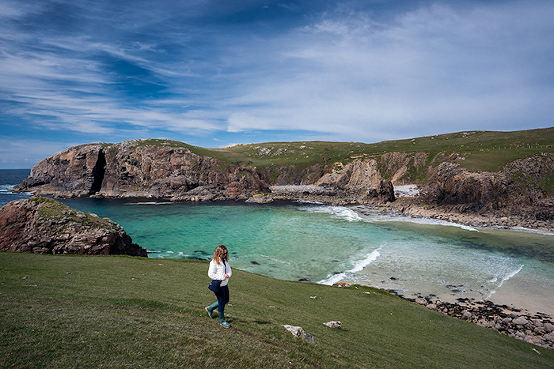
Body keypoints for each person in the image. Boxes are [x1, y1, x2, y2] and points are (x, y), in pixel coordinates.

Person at [205, 244, 232, 328]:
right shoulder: (214, 262)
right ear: (219, 253)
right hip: (218, 286)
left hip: (224, 285)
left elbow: (229, 271)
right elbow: (210, 274)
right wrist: (221, 277)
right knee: (221, 302)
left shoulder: (224, 261)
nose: (225, 255)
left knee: (226, 300)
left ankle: (210, 308)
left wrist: (228, 275)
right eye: (224, 254)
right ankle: (222, 320)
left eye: (226, 253)